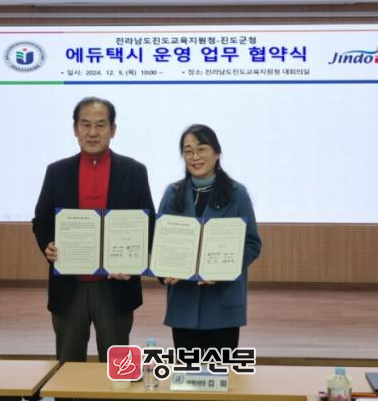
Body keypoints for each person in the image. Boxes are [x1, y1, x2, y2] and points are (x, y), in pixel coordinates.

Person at [32, 96, 155, 363]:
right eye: (85, 124)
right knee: (68, 364)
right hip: (69, 286)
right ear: (75, 128)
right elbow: (41, 220)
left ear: (113, 129)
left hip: (116, 287)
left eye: (100, 125)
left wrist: (134, 262)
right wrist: (48, 245)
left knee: (117, 365)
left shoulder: (134, 171)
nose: (92, 132)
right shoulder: (57, 171)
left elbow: (147, 223)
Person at [158, 124, 261, 353]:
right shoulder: (172, 194)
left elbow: (252, 244)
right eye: (188, 151)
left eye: (201, 149)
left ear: (217, 152)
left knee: (221, 373)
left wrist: (224, 269)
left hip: (222, 306)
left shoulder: (237, 194)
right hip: (183, 305)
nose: (195, 157)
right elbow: (159, 244)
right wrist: (164, 272)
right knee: (187, 373)